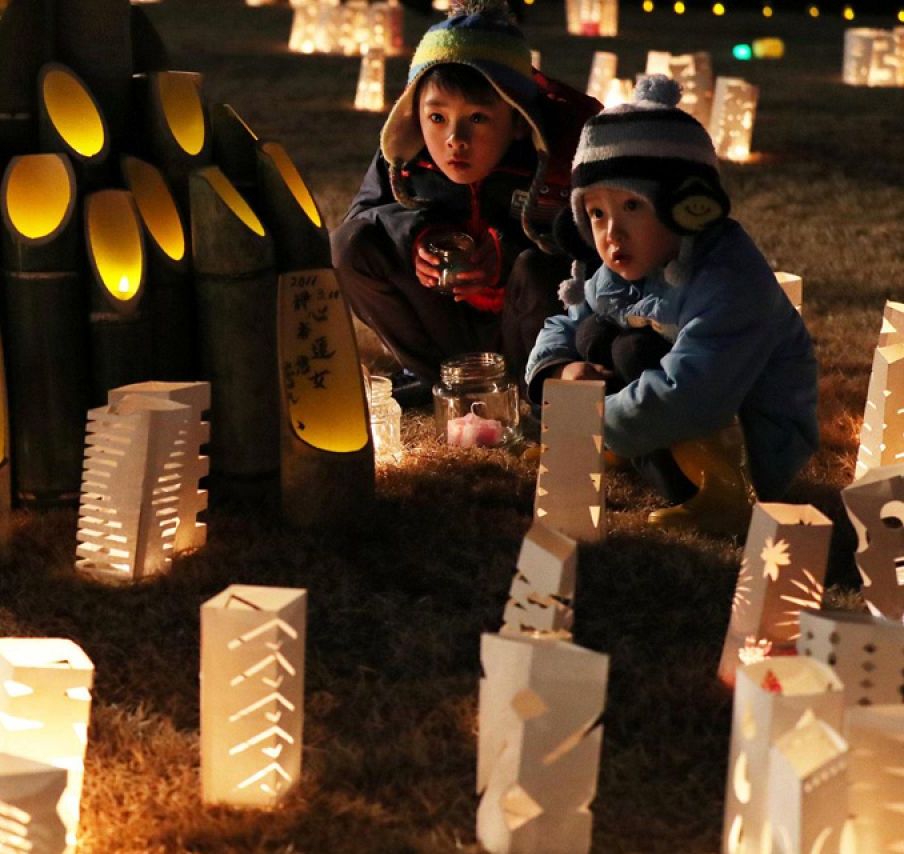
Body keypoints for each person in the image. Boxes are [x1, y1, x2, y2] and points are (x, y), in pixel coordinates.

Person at [524, 74, 818, 537]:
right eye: (596, 213)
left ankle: (720, 491)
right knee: (595, 337)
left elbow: (692, 393)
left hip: (754, 438)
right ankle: (624, 449)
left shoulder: (730, 283)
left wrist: (582, 428)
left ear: (688, 207)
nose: (610, 234)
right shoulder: (632, 263)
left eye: (632, 207)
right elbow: (572, 317)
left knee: (633, 354)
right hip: (664, 413)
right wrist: (558, 371)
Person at [330, 0, 599, 404]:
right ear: (414, 114)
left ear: (519, 122)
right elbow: (363, 220)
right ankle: (439, 381)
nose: (455, 139)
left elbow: (594, 254)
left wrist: (505, 254)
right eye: (437, 118)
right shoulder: (405, 158)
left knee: (538, 267)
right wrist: (416, 235)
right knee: (348, 246)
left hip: (529, 328)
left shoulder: (556, 163)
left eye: (477, 118)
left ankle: (531, 390)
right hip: (445, 321)